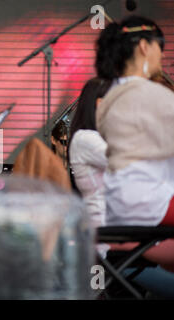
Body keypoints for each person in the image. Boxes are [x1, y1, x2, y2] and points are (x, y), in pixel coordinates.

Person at [95, 15, 174, 282]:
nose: (162, 56)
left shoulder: (109, 100)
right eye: (159, 47)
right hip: (149, 203)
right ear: (144, 46)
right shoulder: (152, 96)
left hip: (120, 204)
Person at [68, 78, 112, 227]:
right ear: (100, 104)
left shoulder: (98, 138)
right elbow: (126, 161)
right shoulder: (85, 139)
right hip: (105, 224)